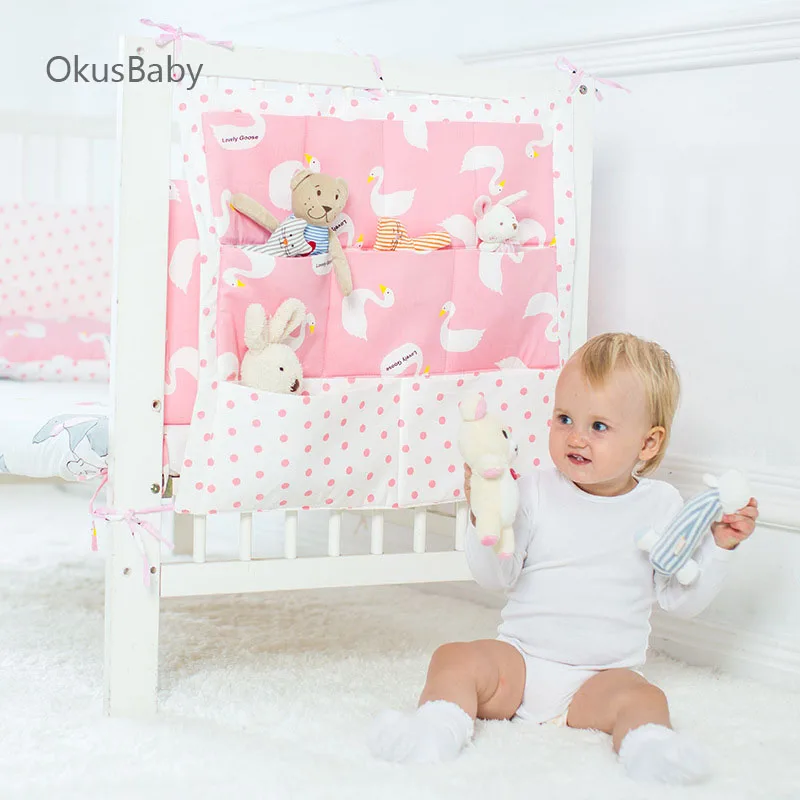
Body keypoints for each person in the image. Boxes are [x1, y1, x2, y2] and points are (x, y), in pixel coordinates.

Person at [370, 332, 758, 784]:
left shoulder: (662, 506)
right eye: (564, 418)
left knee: (645, 699)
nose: (576, 437)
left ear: (648, 444)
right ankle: (436, 728)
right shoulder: (535, 491)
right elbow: (494, 576)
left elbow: (680, 599)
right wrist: (484, 518)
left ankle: (651, 751)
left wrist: (719, 549)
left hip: (600, 679)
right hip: (520, 665)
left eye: (598, 427)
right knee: (454, 657)